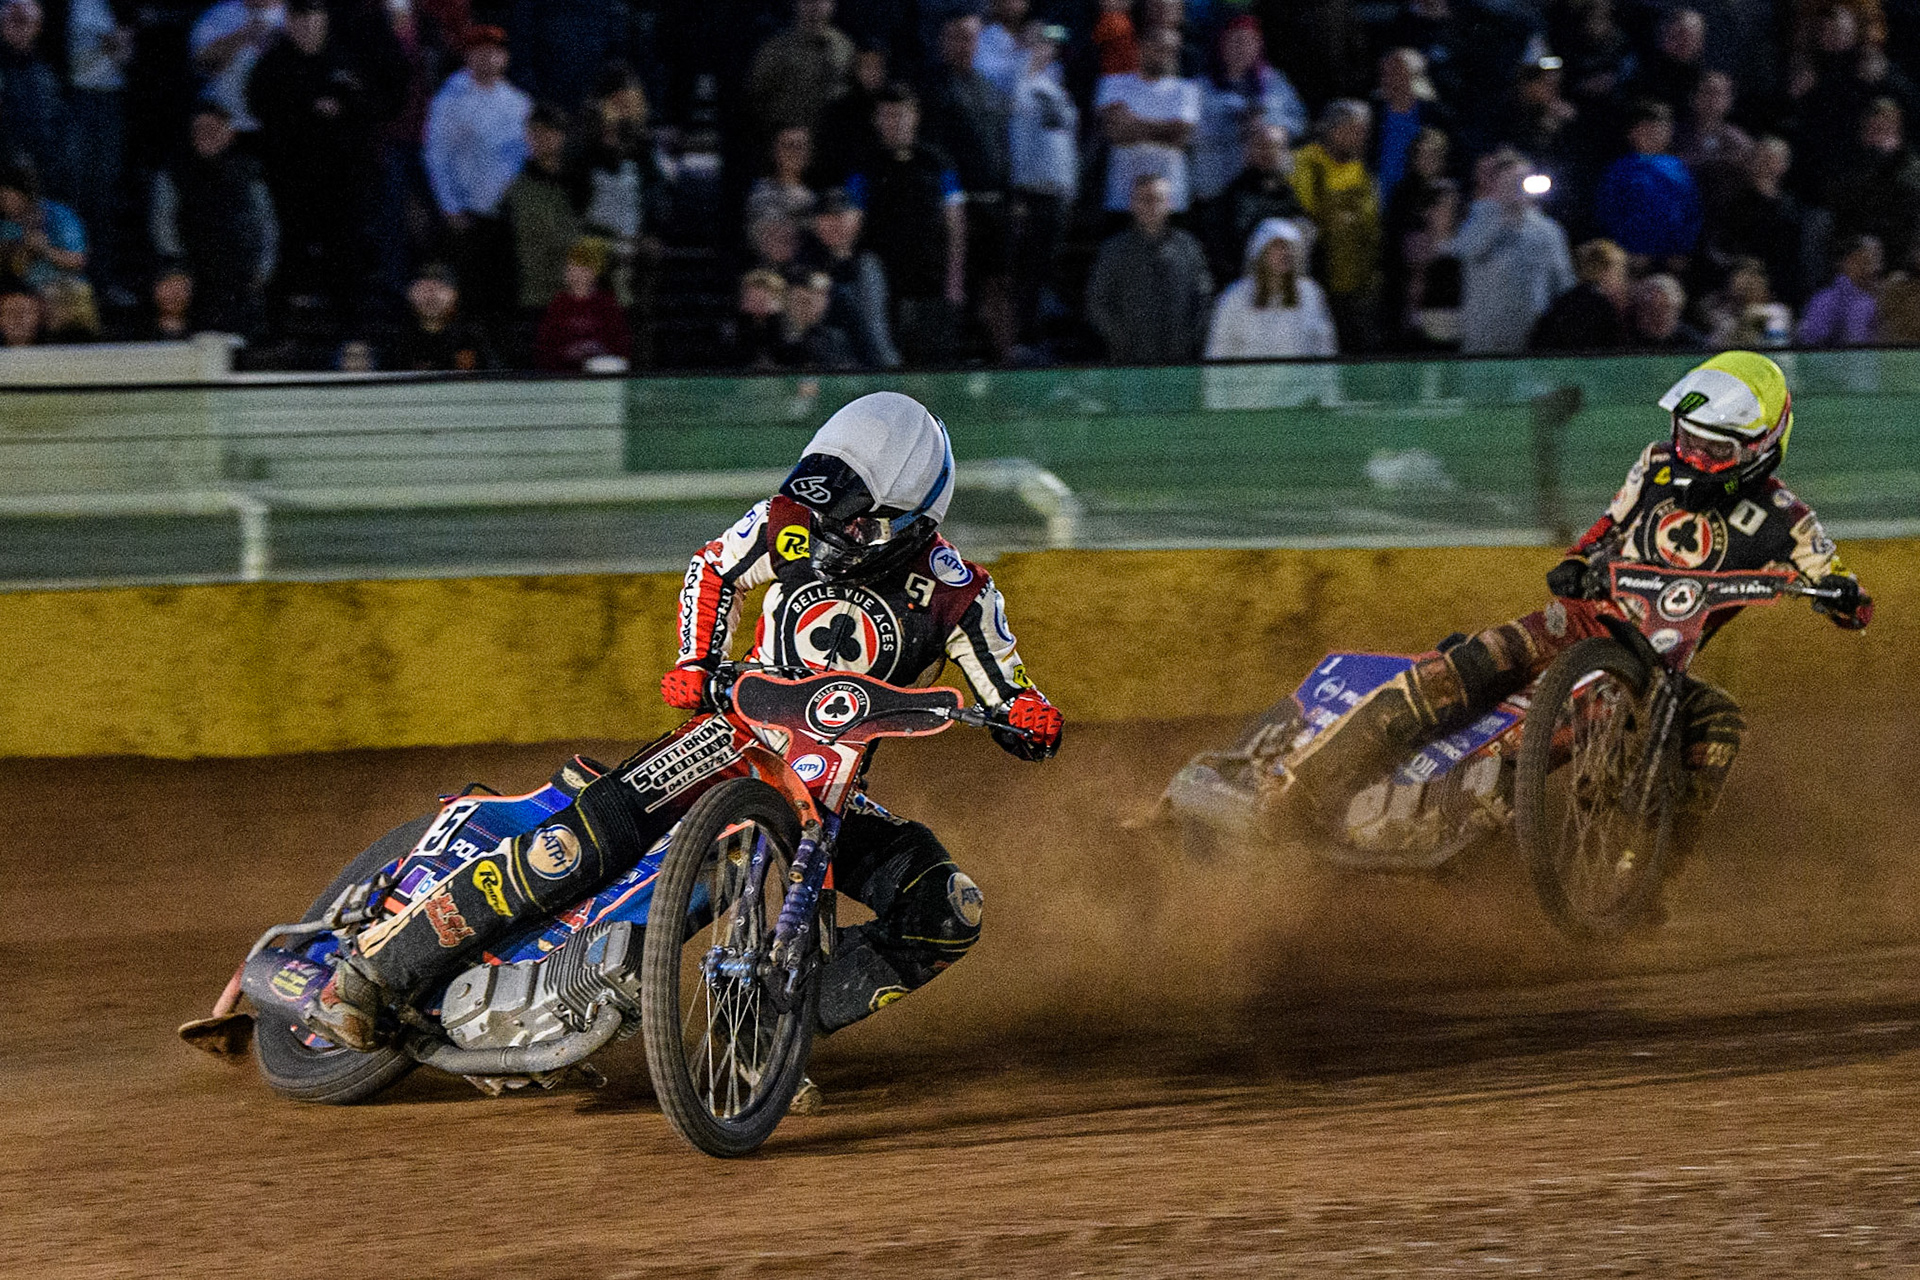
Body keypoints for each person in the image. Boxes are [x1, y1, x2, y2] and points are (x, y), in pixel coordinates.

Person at [299, 392, 1063, 1055]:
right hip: (726, 740)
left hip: (827, 789)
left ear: (912, 520)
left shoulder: (961, 593)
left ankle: (768, 1028)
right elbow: (712, 568)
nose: (828, 537)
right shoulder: (791, 520)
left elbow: (1009, 685)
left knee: (947, 909)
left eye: (855, 525)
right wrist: (696, 660)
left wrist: (1027, 714)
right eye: (826, 513)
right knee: (570, 847)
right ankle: (372, 975)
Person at [1288, 352, 1873, 871]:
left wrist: (1843, 597)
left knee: (1718, 720)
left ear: (1760, 449)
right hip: (1583, 619)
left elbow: (1844, 589)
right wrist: (1576, 559)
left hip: (1657, 667)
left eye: (1711, 449)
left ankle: (1650, 877)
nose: (1690, 454)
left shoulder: (1788, 519)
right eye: (1686, 436)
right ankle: (1301, 785)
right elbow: (1606, 526)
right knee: (1473, 663)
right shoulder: (1655, 465)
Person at [246, 0, 389, 312]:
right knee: (287, 251)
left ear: (324, 19)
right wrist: (308, 105)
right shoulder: (273, 64)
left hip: (342, 180)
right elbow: (259, 104)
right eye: (299, 17)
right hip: (291, 180)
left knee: (345, 254)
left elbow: (373, 107)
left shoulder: (348, 59)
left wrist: (343, 108)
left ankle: (351, 336)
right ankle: (279, 331)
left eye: (313, 16)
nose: (307, 25)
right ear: (289, 22)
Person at [846, 83, 965, 366]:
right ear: (877, 119)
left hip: (931, 280)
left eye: (901, 114)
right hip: (885, 282)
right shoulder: (865, 165)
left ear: (914, 117)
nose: (894, 122)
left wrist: (955, 279)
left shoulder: (936, 162)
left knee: (933, 360)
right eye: (887, 115)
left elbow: (956, 223)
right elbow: (853, 219)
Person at [422, 24, 531, 319]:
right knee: (466, 300)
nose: (488, 58)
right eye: (481, 51)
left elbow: (525, 157)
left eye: (495, 52)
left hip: (504, 217)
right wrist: (450, 207)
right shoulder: (450, 100)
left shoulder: (518, 103)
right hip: (465, 218)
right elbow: (436, 156)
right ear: (469, 56)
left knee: (501, 298)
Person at [150, 104, 277, 335]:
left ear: (229, 134)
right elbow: (163, 221)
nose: (206, 135)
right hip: (193, 269)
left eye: (213, 129)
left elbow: (266, 223)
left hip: (238, 272)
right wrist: (178, 263)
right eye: (199, 129)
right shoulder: (174, 171)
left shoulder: (248, 171)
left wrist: (263, 268)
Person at [1451, 148, 1574, 354]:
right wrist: (1502, 219)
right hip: (1483, 343)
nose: (1516, 187)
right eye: (1510, 181)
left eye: (1521, 180)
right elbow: (1464, 253)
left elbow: (1564, 283)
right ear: (1496, 184)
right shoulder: (1475, 219)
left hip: (1530, 339)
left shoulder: (1548, 230)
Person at [1086, 173, 1212, 362]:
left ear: (1168, 204)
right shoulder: (1114, 250)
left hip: (1180, 360)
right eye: (1144, 200)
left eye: (1157, 200)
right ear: (1132, 204)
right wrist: (1120, 338)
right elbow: (1097, 301)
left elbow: (1204, 297)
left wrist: (1189, 337)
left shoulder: (1188, 247)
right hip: (1130, 362)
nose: (1151, 206)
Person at [1190, 16, 1309, 208]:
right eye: (1235, 41)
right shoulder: (1200, 86)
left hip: (1269, 188)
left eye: (1248, 42)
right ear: (1222, 45)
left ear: (1258, 46)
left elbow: (1299, 122)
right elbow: (1189, 133)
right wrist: (1235, 125)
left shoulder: (1275, 82)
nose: (1241, 48)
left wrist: (1267, 126)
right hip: (1217, 186)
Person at [1291, 99, 1382, 350]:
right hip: (1321, 285)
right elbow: (1309, 213)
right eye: (1356, 130)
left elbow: (1371, 224)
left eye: (1365, 131)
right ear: (1334, 130)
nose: (1362, 138)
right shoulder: (1305, 161)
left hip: (1359, 290)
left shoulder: (1362, 171)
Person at [1007, 21, 1076, 345]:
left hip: (1058, 191)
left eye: (1051, 44)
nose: (1047, 49)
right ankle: (1024, 339)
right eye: (1041, 42)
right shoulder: (1015, 75)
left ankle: (1041, 335)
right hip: (1030, 191)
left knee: (1047, 269)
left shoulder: (1056, 81)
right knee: (1028, 273)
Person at [1095, 26, 1201, 217]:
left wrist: (1133, 123)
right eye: (1158, 48)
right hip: (1122, 198)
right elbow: (1117, 136)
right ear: (1141, 48)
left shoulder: (1186, 90)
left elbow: (1179, 138)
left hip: (1171, 200)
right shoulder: (1113, 84)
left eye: (1171, 50)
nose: (1164, 54)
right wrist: (1165, 127)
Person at [1204, 219, 1337, 359]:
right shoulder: (1235, 296)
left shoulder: (1310, 293)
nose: (1285, 253)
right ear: (1261, 252)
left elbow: (1324, 346)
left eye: (1289, 247)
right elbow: (1219, 349)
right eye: (1277, 247)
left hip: (1298, 379)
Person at [799, 187, 901, 369]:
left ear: (857, 219)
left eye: (841, 216)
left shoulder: (869, 264)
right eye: (826, 217)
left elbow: (876, 326)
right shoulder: (802, 266)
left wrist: (889, 369)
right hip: (818, 368)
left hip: (867, 367)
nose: (834, 224)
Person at [1594, 101, 1702, 265]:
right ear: (1632, 132)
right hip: (1630, 256)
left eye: (1660, 129)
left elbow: (1691, 210)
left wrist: (1683, 249)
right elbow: (1609, 211)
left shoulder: (1678, 169)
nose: (1654, 134)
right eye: (1646, 128)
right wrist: (1624, 250)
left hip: (1670, 257)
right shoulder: (1620, 170)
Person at [501, 104, 581, 314]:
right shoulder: (516, 191)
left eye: (549, 132)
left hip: (577, 295)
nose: (541, 138)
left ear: (562, 136)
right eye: (535, 132)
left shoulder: (578, 183)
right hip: (533, 299)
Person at [1207, 122, 1307, 287]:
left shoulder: (1291, 196)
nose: (1269, 152)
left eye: (1275, 147)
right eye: (1261, 146)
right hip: (1244, 286)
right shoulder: (1231, 198)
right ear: (1247, 150)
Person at [745, 0, 852, 141]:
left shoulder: (845, 47)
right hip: (787, 138)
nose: (815, 7)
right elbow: (755, 96)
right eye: (808, 2)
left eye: (821, 2)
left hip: (832, 138)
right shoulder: (776, 49)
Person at [189, 0, 284, 137]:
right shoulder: (222, 12)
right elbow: (202, 64)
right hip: (223, 127)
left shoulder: (298, 14)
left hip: (275, 126)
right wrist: (244, 35)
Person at [533, 236, 629, 371]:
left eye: (581, 267)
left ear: (594, 272)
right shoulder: (559, 304)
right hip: (564, 377)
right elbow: (544, 348)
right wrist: (568, 352)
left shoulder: (607, 303)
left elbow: (621, 346)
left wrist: (597, 349)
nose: (573, 272)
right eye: (570, 266)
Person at [388, 262, 495, 371]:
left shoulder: (471, 337)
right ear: (409, 293)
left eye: (441, 287)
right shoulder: (397, 339)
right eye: (424, 287)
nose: (431, 295)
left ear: (455, 294)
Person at [1529, 237, 1628, 351]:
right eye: (1620, 271)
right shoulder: (1599, 308)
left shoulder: (1564, 301)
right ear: (1605, 271)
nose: (1623, 280)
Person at [1797, 233, 1883, 345]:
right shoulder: (1825, 301)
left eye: (1878, 261)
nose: (1876, 268)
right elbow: (1810, 342)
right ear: (1848, 262)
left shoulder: (1880, 297)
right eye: (1867, 261)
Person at [747, 125, 819, 226]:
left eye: (800, 146)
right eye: (788, 145)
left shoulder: (816, 198)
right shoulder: (759, 192)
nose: (794, 153)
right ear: (775, 151)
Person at [1629, 273, 1708, 349]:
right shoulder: (1627, 339)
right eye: (1647, 309)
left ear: (1676, 310)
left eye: (1661, 309)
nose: (1654, 317)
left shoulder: (1693, 342)